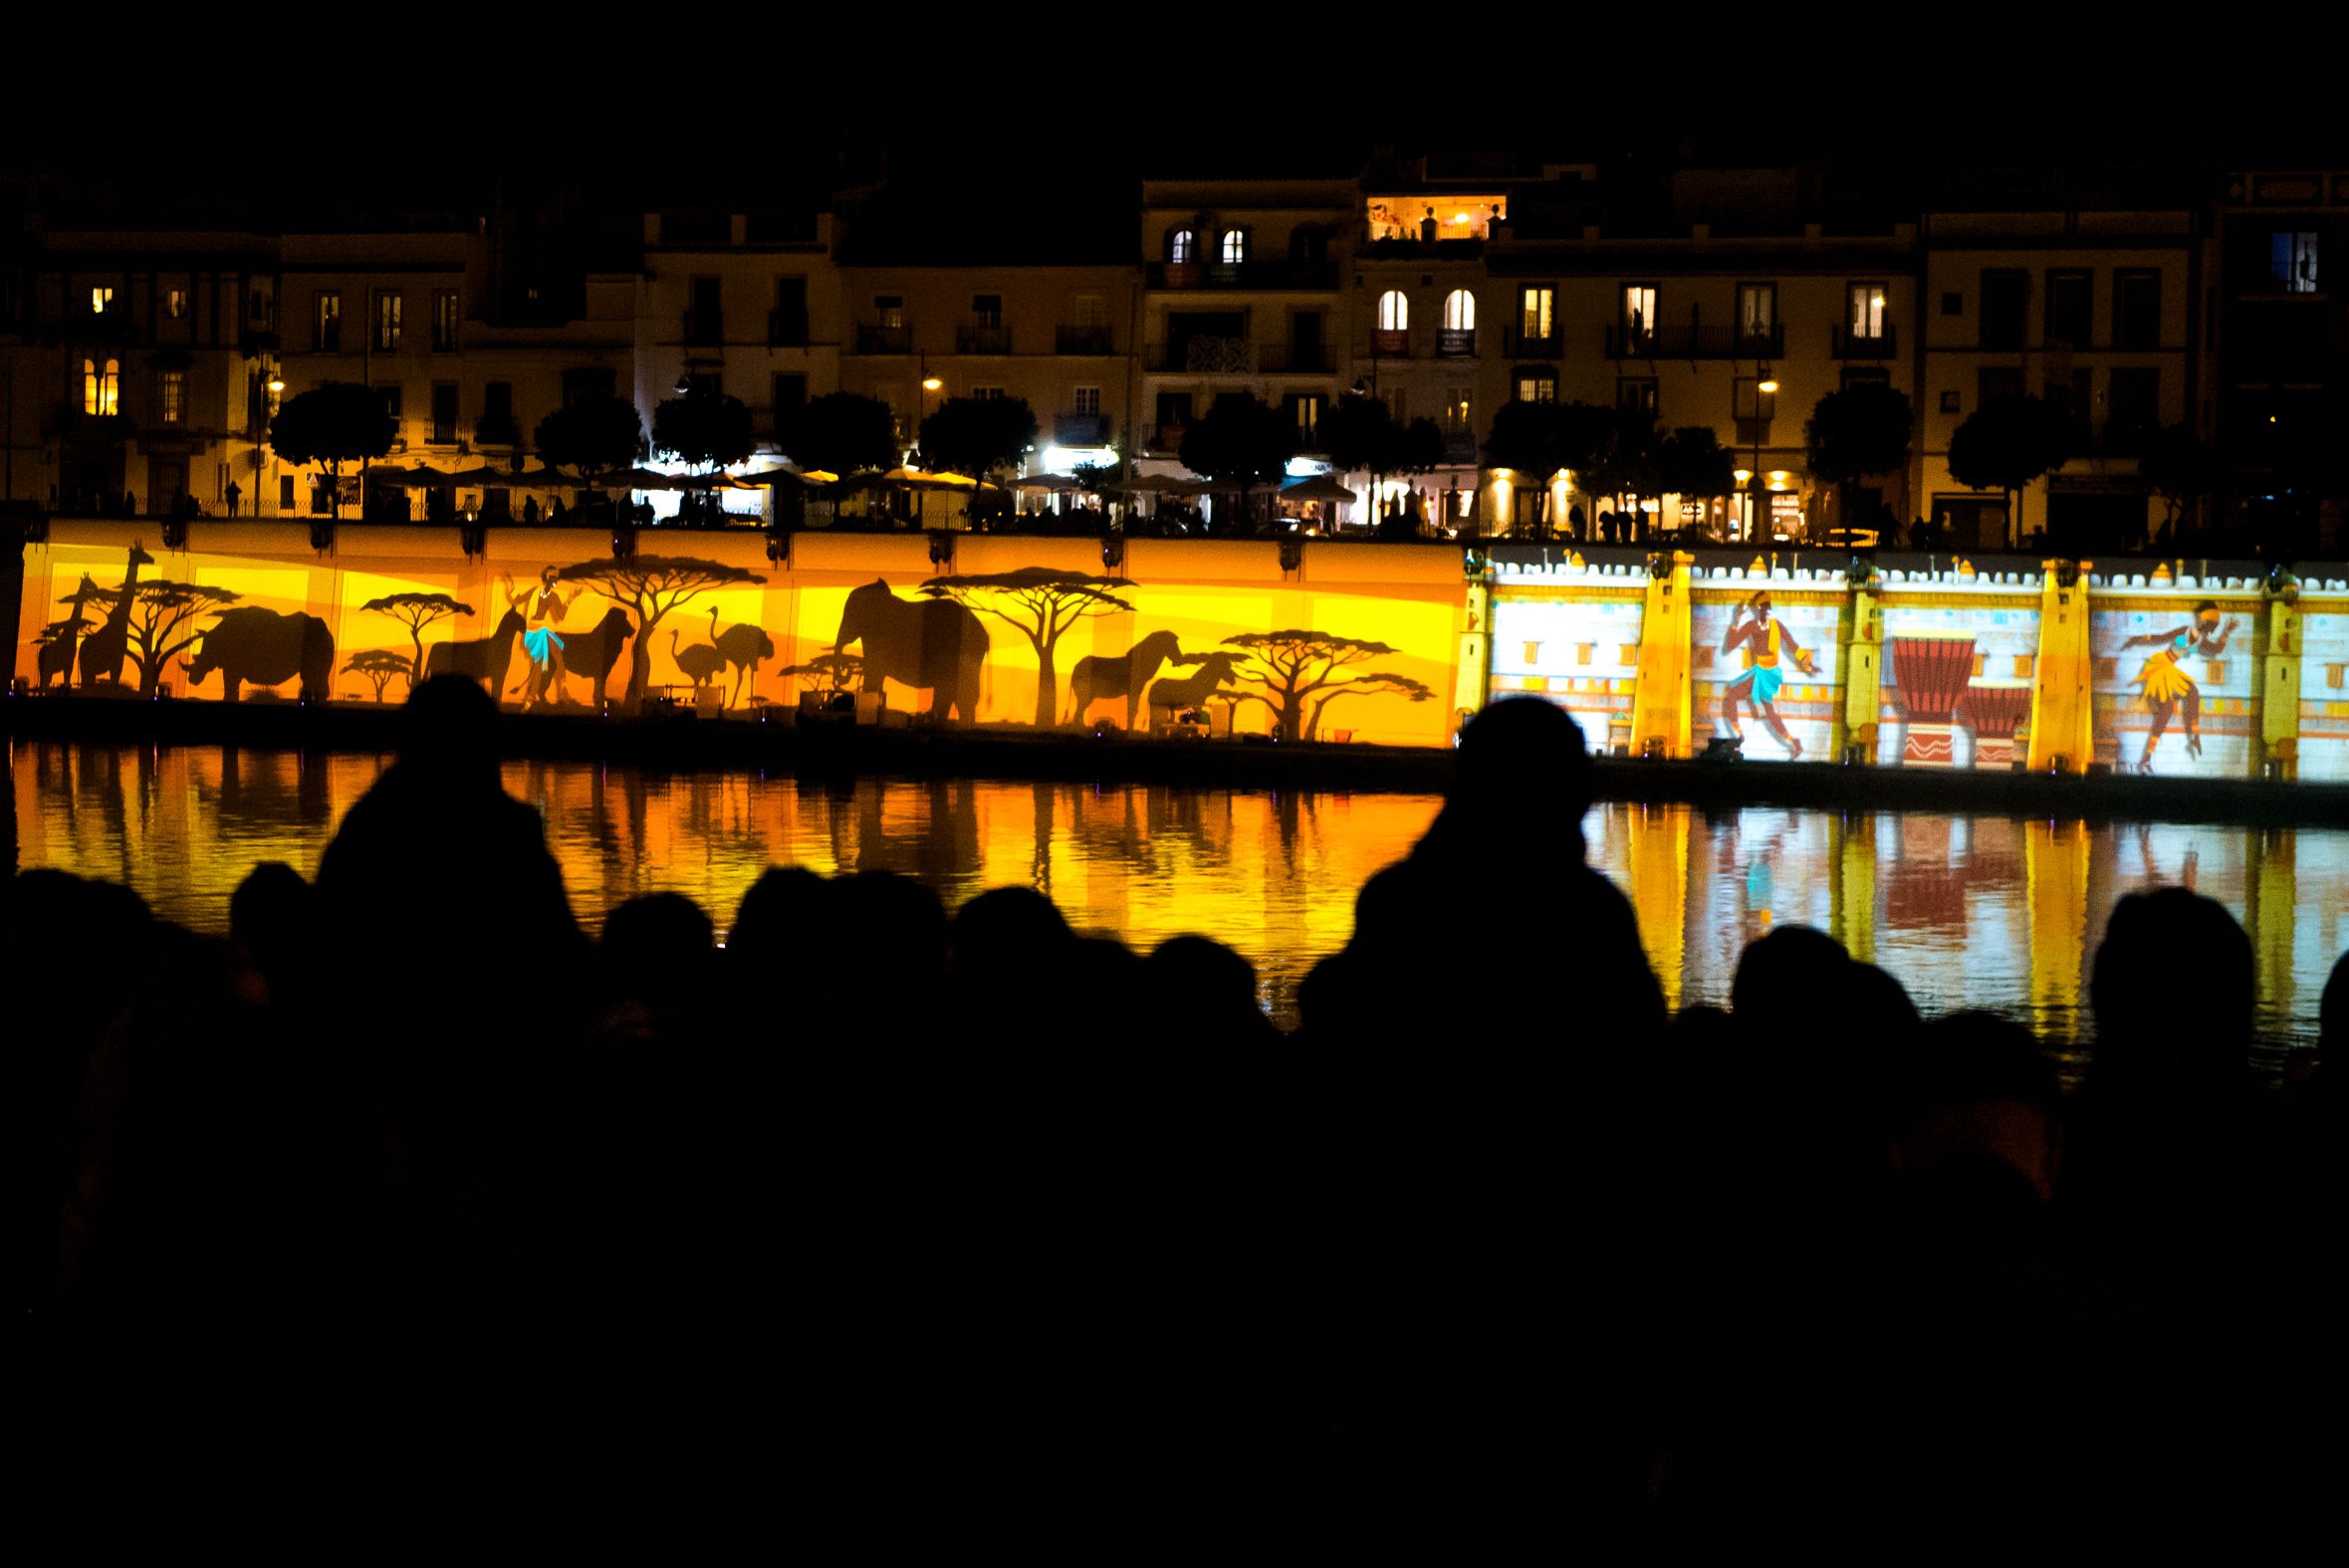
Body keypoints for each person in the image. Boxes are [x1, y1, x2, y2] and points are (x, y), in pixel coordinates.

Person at [2118, 601, 2234, 772]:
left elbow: (2217, 649)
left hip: (2168, 669)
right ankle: (2149, 757)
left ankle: (2192, 737)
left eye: (2213, 626)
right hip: (2159, 666)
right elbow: (2160, 638)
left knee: (2188, 695)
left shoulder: (2200, 640)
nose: (2210, 628)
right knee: (2170, 707)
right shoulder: (2185, 630)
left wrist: (2227, 631)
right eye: (2210, 624)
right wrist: (2136, 639)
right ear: (2203, 621)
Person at [1720, 591, 1817, 758]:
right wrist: (1736, 619)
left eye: (1766, 608)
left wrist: (1808, 664)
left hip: (1769, 673)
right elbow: (1729, 645)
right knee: (1740, 698)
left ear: (1768, 609)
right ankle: (1743, 736)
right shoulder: (1752, 626)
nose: (1763, 611)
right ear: (1755, 610)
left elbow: (1792, 645)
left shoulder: (1776, 626)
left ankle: (1791, 742)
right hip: (1759, 672)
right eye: (1760, 608)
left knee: (1761, 708)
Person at [499, 565, 587, 710]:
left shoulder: (553, 596)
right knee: (538, 668)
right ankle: (529, 700)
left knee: (558, 654)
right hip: (532, 633)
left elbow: (561, 615)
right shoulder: (535, 591)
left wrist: (571, 598)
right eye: (554, 577)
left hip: (541, 629)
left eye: (557, 578)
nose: (556, 581)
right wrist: (510, 582)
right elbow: (517, 599)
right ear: (547, 577)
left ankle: (563, 689)